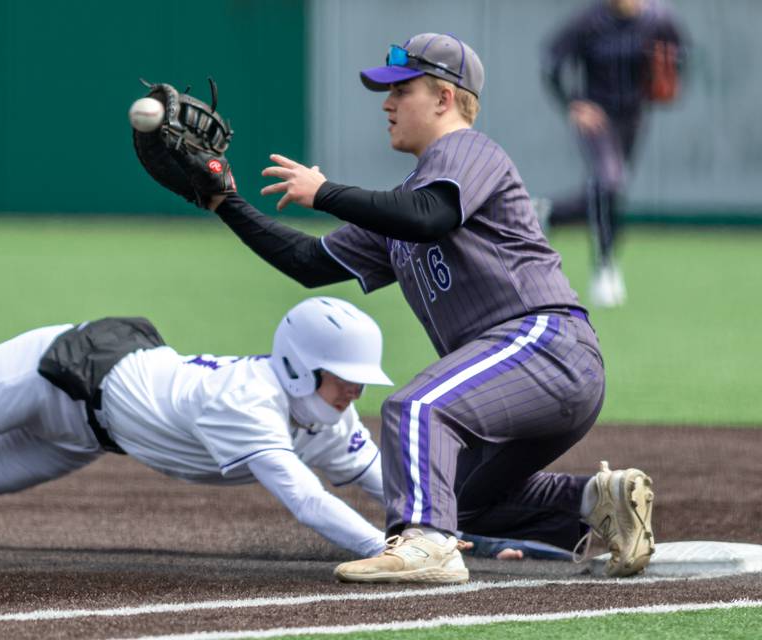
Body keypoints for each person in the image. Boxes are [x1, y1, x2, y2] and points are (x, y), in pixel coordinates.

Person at [193, 33, 654, 583]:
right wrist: (226, 202)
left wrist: (325, 192)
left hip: (545, 345)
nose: (386, 103)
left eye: (401, 90)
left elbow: (430, 214)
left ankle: (427, 547)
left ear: (444, 98)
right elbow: (309, 263)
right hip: (523, 369)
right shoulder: (407, 203)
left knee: (415, 408)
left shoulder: (467, 150)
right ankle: (597, 503)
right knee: (455, 496)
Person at [0, 297, 395, 559]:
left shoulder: (331, 419)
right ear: (301, 366)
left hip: (85, 436)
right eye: (344, 377)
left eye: (360, 380)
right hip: (53, 372)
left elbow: (394, 488)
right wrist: (386, 549)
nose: (355, 391)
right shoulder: (247, 401)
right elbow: (306, 500)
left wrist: (450, 528)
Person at [541, 0, 688, 307]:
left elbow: (681, 56)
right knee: (610, 182)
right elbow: (552, 61)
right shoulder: (590, 20)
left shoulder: (658, 19)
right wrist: (572, 102)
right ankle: (605, 267)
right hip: (597, 117)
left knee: (607, 191)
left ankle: (545, 213)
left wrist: (669, 77)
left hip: (633, 118)